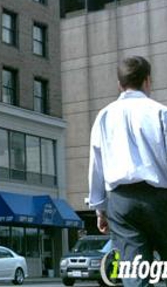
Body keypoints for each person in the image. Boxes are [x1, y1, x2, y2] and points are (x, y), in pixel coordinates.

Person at [88, 56, 167, 286]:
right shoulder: (160, 113)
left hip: (122, 203)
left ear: (119, 84)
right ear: (148, 81)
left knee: (134, 273)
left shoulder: (104, 116)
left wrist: (100, 209)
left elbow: (96, 165)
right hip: (160, 199)